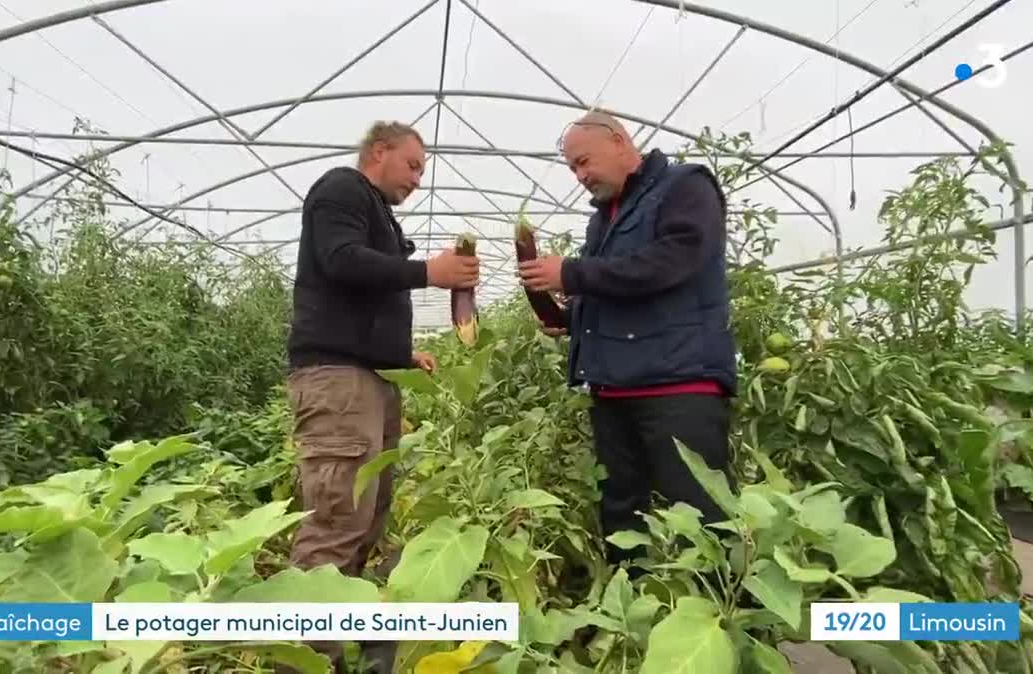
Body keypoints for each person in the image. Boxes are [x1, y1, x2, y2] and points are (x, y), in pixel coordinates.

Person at [283, 120, 480, 672]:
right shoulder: (342, 188)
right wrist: (428, 271)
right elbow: (341, 261)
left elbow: (363, 297)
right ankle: (300, 660)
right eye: (413, 165)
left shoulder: (376, 212)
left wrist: (401, 356)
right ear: (379, 151)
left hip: (367, 379)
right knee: (336, 518)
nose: (419, 178)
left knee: (365, 519)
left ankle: (329, 646)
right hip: (338, 382)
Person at [517, 110, 738, 571]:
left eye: (584, 161)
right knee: (622, 512)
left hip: (679, 384)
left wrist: (572, 272)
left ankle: (724, 625)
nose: (580, 176)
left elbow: (673, 261)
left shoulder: (684, 187)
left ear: (619, 141)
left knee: (700, 515)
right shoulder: (603, 219)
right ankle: (627, 617)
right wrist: (571, 318)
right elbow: (615, 288)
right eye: (573, 168)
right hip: (615, 389)